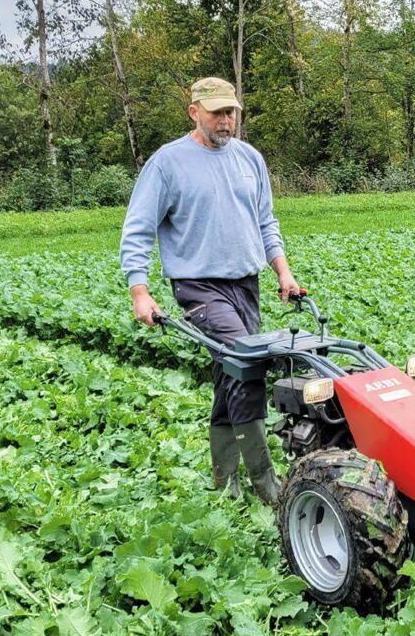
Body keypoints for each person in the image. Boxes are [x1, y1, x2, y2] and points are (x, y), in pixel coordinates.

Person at [120, 76, 299, 504]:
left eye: (231, 112)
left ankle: (224, 483)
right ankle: (266, 484)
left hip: (246, 284)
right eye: (217, 112)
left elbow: (266, 223)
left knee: (229, 375)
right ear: (194, 112)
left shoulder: (250, 159)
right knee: (246, 362)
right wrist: (139, 291)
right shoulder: (168, 163)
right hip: (198, 287)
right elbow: (139, 229)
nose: (226, 121)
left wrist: (284, 274)